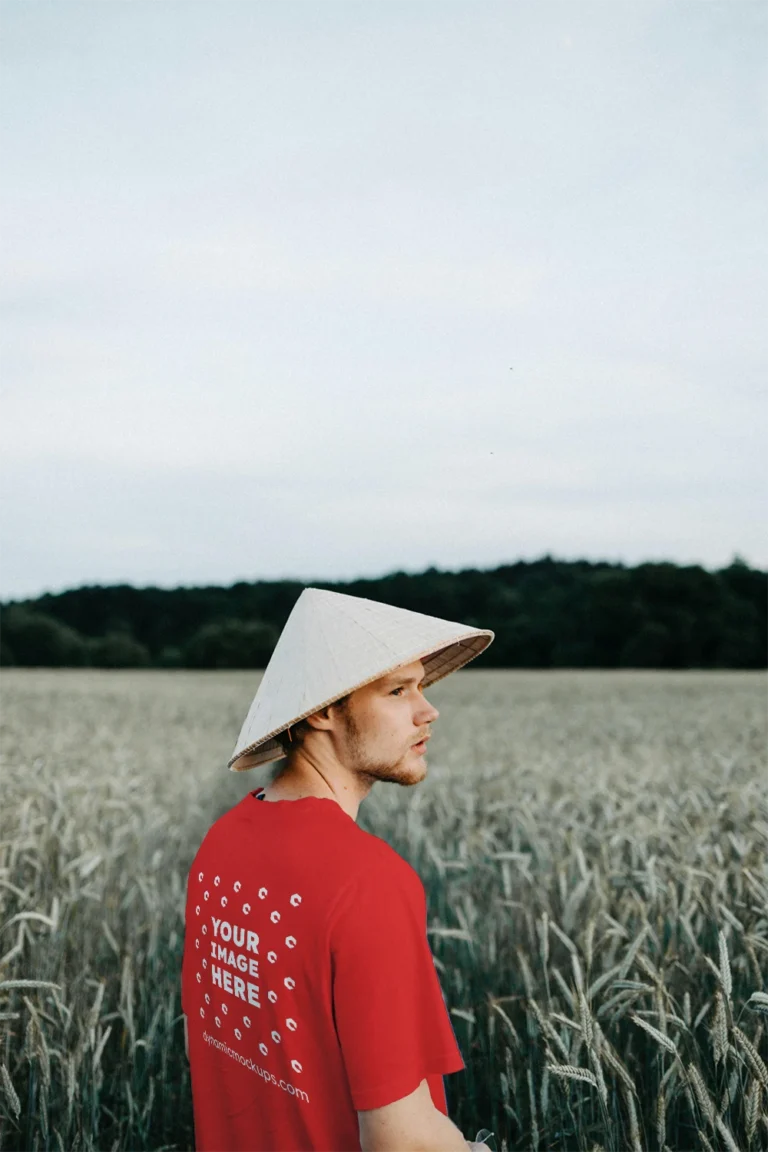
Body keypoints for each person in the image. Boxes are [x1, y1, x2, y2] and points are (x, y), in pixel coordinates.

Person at [181, 586, 495, 1151]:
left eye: (422, 686)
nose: (429, 710)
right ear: (324, 708)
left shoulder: (219, 845)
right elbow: (403, 1140)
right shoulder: (368, 880)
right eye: (398, 689)